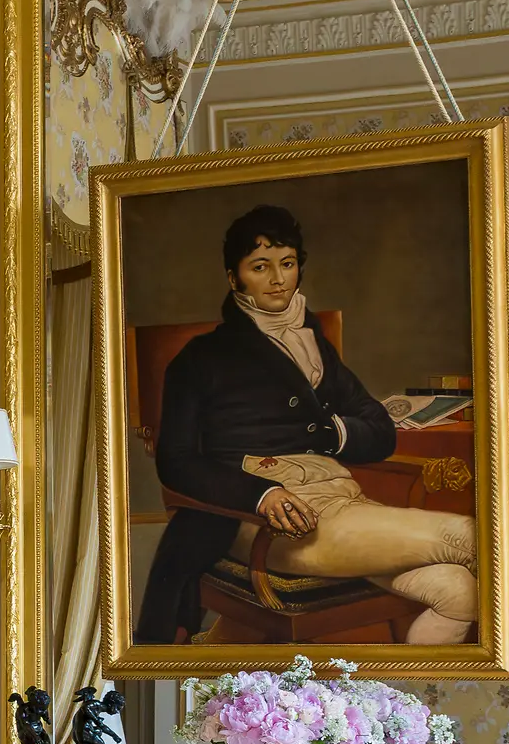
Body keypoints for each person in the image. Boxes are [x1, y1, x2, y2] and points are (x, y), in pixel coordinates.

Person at [132, 204, 477, 646]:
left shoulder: (315, 344)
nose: (278, 279)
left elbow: (379, 429)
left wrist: (330, 432)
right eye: (261, 267)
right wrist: (261, 494)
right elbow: (177, 462)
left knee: (459, 591)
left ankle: (406, 707)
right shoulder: (202, 358)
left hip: (343, 501)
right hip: (266, 519)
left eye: (287, 264)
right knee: (468, 536)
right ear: (234, 278)